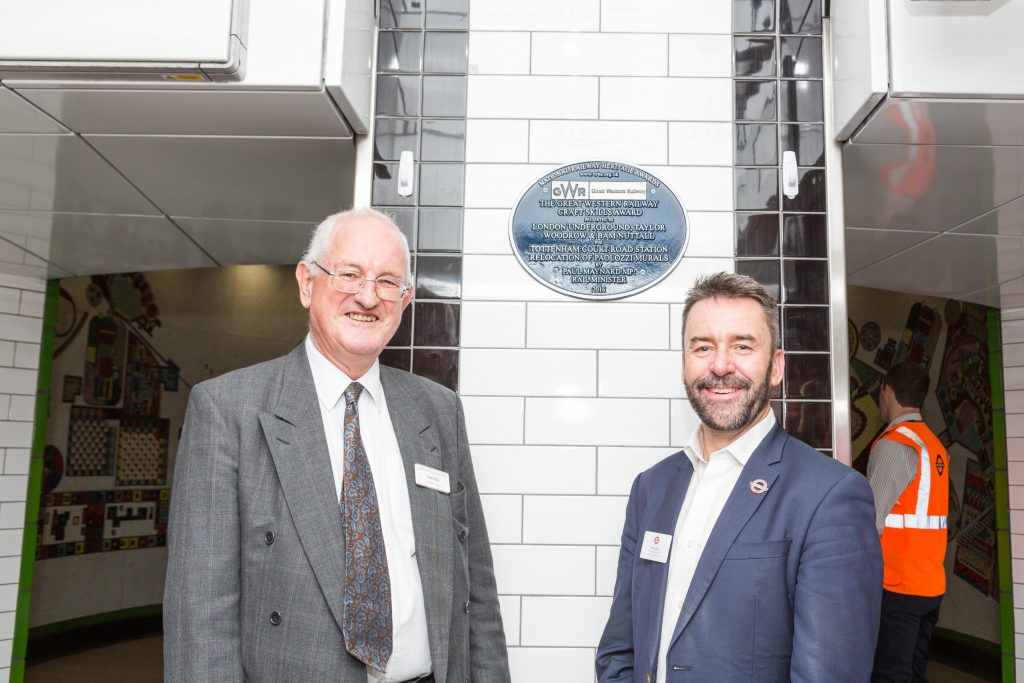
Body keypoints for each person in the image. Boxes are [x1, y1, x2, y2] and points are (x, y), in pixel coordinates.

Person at [164, 208, 510, 682]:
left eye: (388, 282)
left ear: (405, 301)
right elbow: (201, 611)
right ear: (307, 283)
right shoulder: (228, 409)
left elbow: (478, 587)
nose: (367, 296)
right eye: (350, 274)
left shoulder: (438, 410)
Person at [596, 272, 882, 683]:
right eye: (703, 347)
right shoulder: (651, 488)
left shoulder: (830, 496)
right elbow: (620, 647)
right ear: (683, 365)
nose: (720, 365)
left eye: (742, 346)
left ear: (776, 367)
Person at [867, 361, 949, 683]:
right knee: (914, 673)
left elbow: (871, 520)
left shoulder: (895, 444)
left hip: (898, 584)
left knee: (890, 674)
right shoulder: (934, 446)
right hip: (930, 584)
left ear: (887, 391)